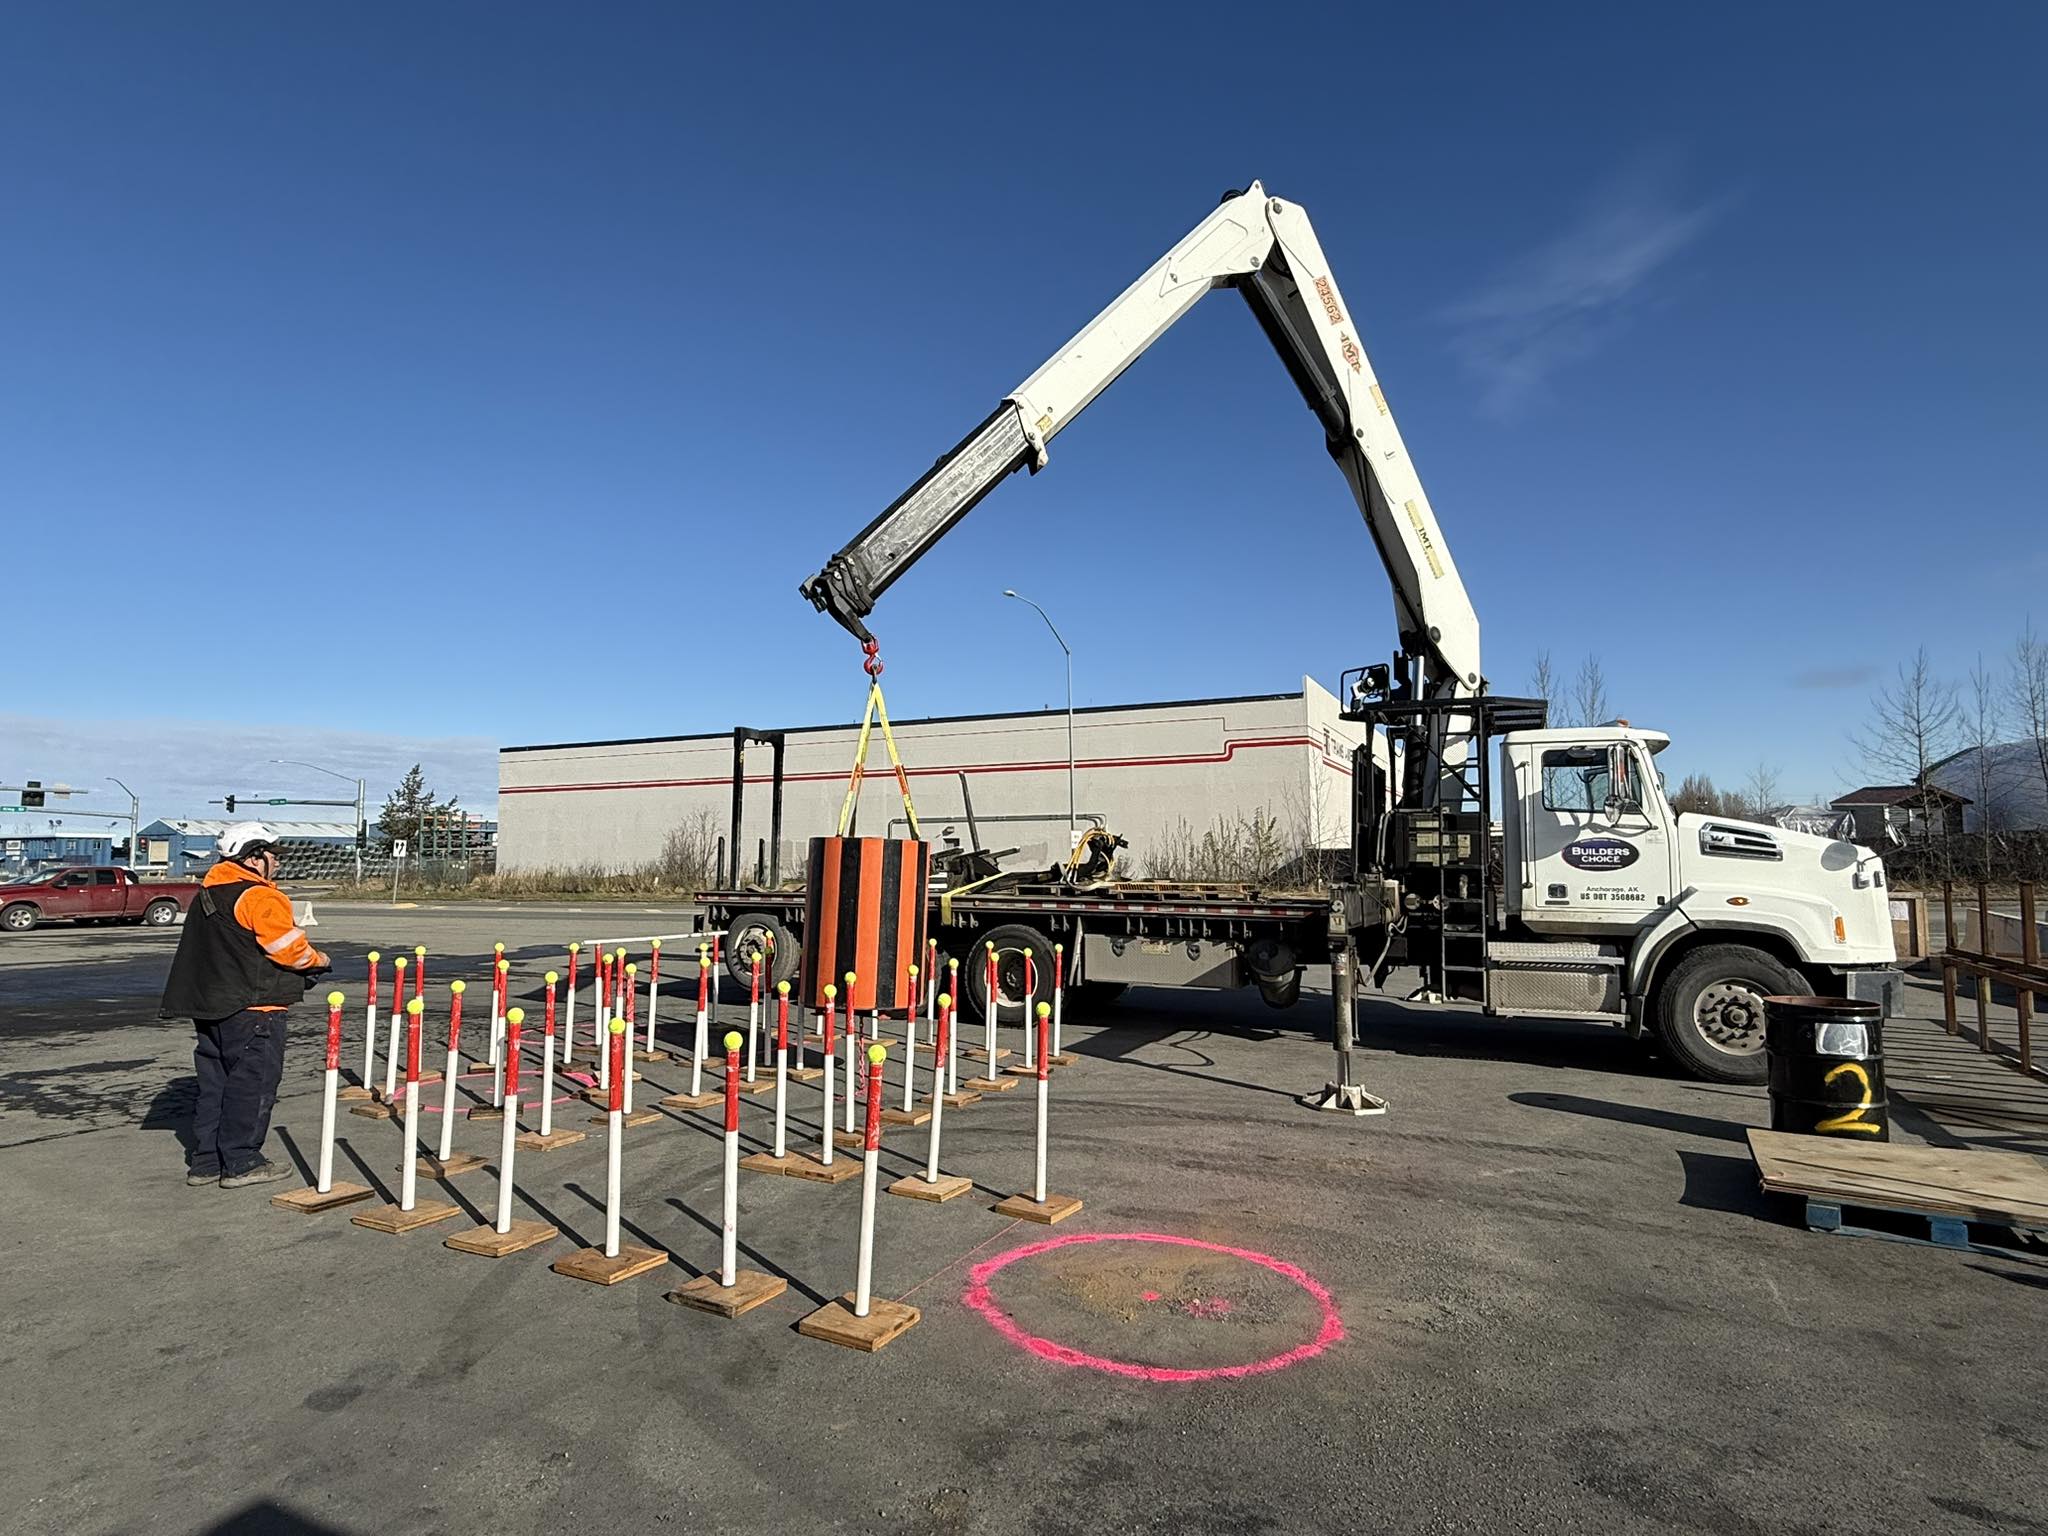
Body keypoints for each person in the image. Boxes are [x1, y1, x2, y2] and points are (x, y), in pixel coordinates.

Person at [160, 822, 330, 1187]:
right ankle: (242, 1161)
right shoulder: (259, 896)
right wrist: (318, 960)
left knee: (215, 1083)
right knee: (252, 1085)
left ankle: (206, 1161)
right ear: (254, 857)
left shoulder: (210, 893)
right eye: (272, 855)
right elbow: (288, 949)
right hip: (253, 1007)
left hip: (211, 1005)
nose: (278, 863)